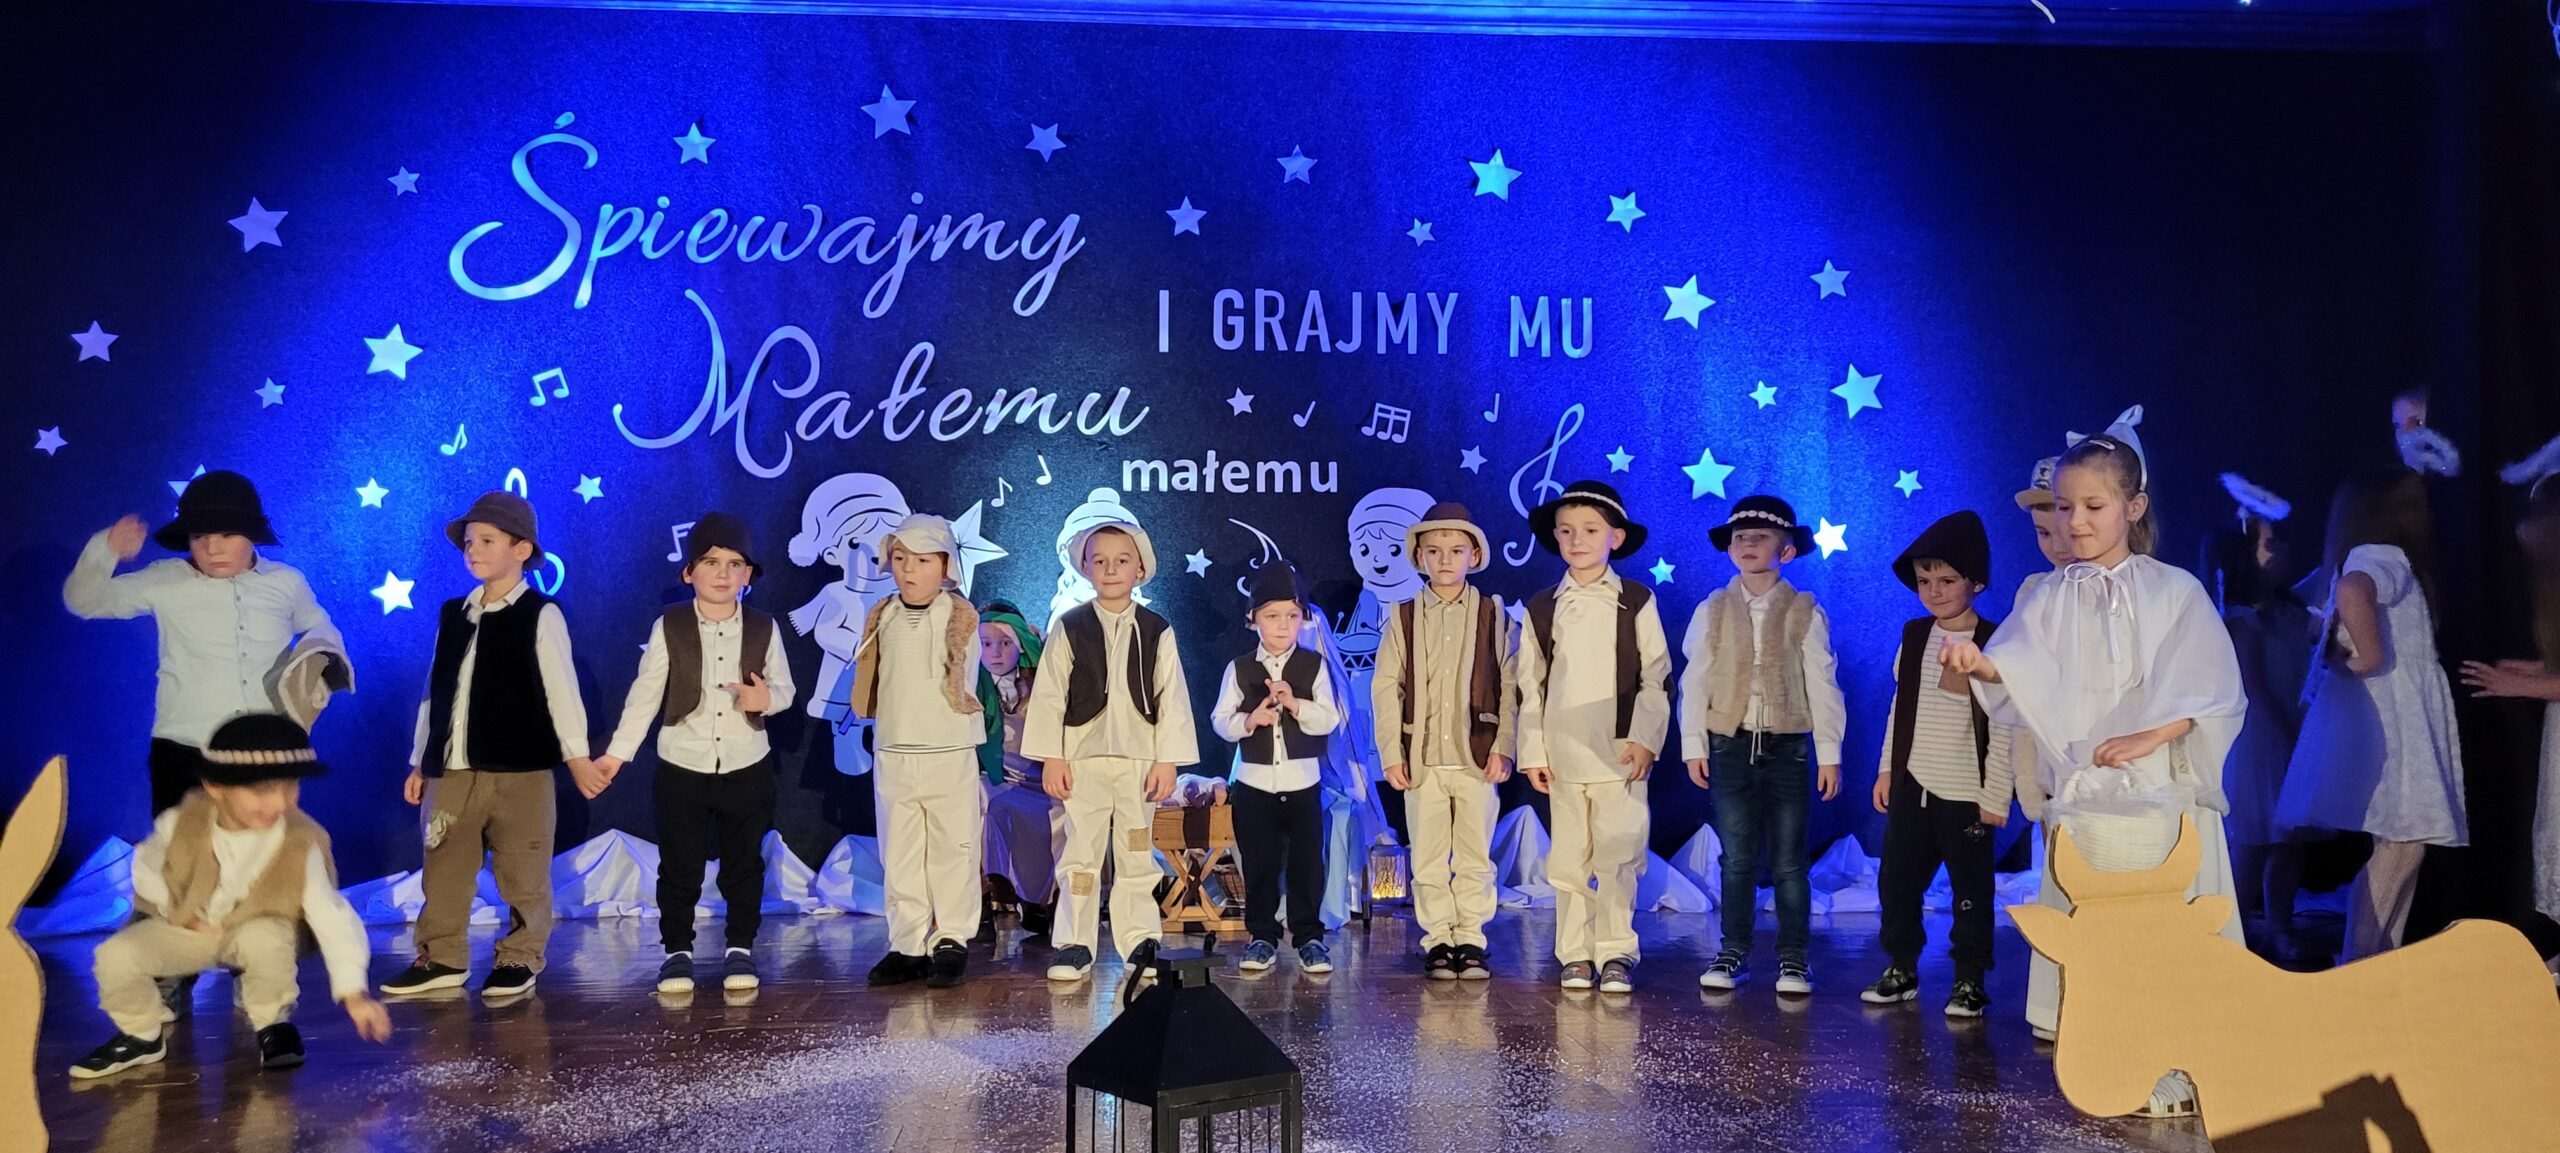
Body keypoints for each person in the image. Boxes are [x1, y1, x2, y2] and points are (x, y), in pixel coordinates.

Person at [1940, 407, 2250, 1117]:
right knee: (2106, 931)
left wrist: (2151, 736)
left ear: (2132, 507)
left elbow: (2208, 684)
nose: (2074, 522)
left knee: (2165, 926)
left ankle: (2189, 1056)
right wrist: (1980, 665)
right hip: (2090, 800)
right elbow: (2022, 666)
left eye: (2092, 506)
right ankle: (2123, 1055)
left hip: (2159, 796)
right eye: (2063, 507)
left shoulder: (2172, 590)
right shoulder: (2050, 595)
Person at [71, 714, 390, 1079]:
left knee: (267, 937)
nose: (278, 803)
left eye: (290, 786)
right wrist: (178, 913)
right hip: (192, 928)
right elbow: (146, 869)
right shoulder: (182, 822)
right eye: (260, 790)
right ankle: (141, 1035)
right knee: (116, 955)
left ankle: (272, 1025)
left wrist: (354, 993)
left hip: (253, 931)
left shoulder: (302, 840)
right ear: (215, 786)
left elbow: (331, 914)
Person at [383, 491, 602, 1001]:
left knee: (523, 867)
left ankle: (520, 956)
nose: (473, 550)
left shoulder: (539, 614)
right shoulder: (454, 614)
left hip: (519, 769)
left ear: (521, 549)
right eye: (468, 542)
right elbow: (435, 691)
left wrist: (577, 757)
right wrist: (421, 760)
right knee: (444, 866)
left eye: (486, 541)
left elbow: (561, 690)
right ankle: (442, 956)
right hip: (452, 770)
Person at [594, 511, 794, 995]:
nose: (723, 574)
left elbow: (785, 689)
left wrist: (765, 699)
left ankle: (740, 947)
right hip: (682, 763)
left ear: (748, 575)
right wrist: (616, 756)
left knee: (743, 863)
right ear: (689, 573)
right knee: (680, 863)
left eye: (734, 564)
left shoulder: (764, 627)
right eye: (710, 563)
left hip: (746, 762)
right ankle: (677, 951)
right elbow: (645, 695)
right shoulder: (671, 625)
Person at [2276, 472, 2467, 962]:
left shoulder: (2368, 556)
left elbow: (2337, 601)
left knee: (2405, 843)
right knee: (2404, 841)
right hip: (2396, 720)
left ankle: (2375, 961)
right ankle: (2361, 964)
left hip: (2392, 713)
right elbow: (2354, 591)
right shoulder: (2382, 555)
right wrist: (2369, 657)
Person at [1679, 495, 1846, 996]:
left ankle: (1793, 958)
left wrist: (1829, 752)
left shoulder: (1803, 610)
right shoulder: (1713, 608)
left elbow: (1822, 682)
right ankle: (1733, 950)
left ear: (1786, 551)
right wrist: (1693, 743)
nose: (1748, 544)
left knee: (1790, 860)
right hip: (1730, 745)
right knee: (1737, 858)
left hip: (1787, 748)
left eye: (1761, 537)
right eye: (1740, 538)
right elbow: (1696, 679)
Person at [1022, 520, 1200, 982]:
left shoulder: (1157, 629)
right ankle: (1074, 943)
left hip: (1139, 761)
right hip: (1083, 761)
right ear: (1084, 568)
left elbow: (1171, 696)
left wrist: (1167, 759)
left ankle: (1140, 939)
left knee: (1136, 851)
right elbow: (1049, 695)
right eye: (1099, 560)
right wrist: (1052, 756)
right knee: (1080, 851)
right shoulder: (1070, 626)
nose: (1110, 569)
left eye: (1121, 561)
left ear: (1140, 569)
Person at [1516, 480, 1671, 995]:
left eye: (1589, 530)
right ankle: (1576, 953)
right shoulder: (1543, 606)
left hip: (1619, 752)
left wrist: (1645, 738)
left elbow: (1656, 675)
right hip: (1564, 753)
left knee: (1618, 854)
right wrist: (1533, 750)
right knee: (1569, 860)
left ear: (1615, 538)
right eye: (1566, 531)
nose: (1576, 540)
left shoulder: (1635, 600)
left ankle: (1616, 951)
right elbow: (1530, 685)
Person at [1861, 511, 2013, 1019]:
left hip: (1967, 791)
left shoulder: (1995, 642)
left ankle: (1969, 979)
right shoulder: (1915, 635)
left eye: (1947, 580)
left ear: (1976, 582)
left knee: (1971, 889)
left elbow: (2006, 723)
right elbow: (1900, 707)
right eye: (1925, 581)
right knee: (1897, 881)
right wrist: (1888, 769)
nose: (1934, 591)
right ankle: (1901, 967)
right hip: (1913, 784)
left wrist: (1995, 793)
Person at [1374, 502, 1515, 980]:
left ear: (1474, 555)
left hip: (1477, 756)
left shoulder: (1493, 614)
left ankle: (1470, 937)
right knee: (1429, 855)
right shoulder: (1404, 616)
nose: (1445, 560)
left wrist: (1504, 744)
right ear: (1419, 557)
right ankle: (1438, 938)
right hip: (1424, 759)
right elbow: (1386, 687)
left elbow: (1511, 684)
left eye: (1456, 550)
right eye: (1434, 551)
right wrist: (1392, 753)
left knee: (1475, 854)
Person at [850, 514, 991, 988]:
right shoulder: (883, 614)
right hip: (894, 747)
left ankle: (951, 938)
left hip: (947, 746)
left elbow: (962, 674)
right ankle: (907, 943)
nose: (909, 570)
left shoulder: (958, 614)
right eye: (900, 558)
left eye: (923, 560)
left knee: (953, 846)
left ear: (946, 566)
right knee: (900, 849)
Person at [1213, 562, 1342, 974]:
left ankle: (1309, 938)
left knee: (1307, 864)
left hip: (1303, 782)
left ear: (1303, 619)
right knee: (1260, 864)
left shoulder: (1313, 665)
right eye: (1272, 616)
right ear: (1253, 620)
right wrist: (1250, 720)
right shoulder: (1239, 668)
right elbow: (1220, 721)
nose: (1283, 625)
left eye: (1292, 615)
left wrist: (1295, 704)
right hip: (1254, 784)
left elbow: (1329, 719)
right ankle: (1262, 937)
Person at [976, 600, 1060, 936]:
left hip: (1039, 781)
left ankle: (1040, 898)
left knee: (1060, 816)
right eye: (986, 644)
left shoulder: (1043, 684)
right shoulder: (972, 686)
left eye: (1005, 643)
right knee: (984, 804)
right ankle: (984, 895)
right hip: (996, 778)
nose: (995, 653)